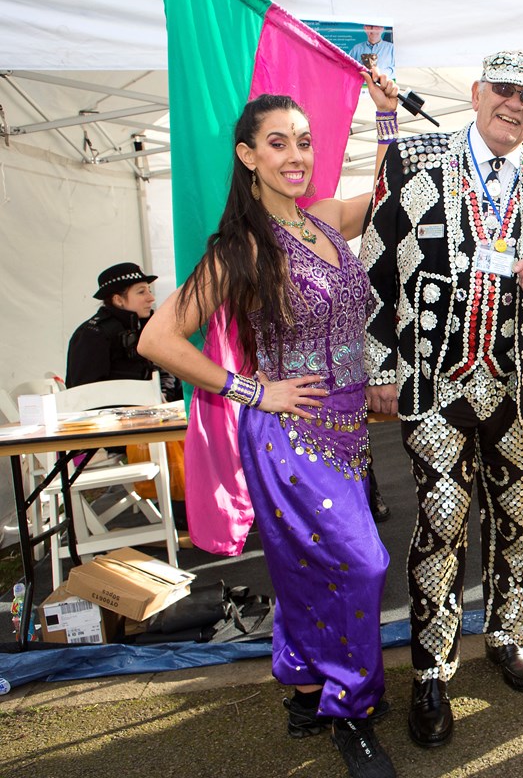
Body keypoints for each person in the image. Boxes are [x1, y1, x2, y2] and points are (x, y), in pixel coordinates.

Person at [139, 69, 402, 778]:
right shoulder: (243, 247)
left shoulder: (320, 223)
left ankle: (305, 681)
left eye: (305, 143)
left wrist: (384, 118)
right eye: (277, 143)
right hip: (289, 437)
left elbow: (383, 195)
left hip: (349, 432)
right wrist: (255, 391)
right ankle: (351, 710)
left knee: (308, 568)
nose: (295, 155)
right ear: (247, 155)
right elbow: (158, 339)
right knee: (362, 564)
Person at [361, 50, 523, 748]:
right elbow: (373, 268)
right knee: (444, 513)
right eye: (505, 92)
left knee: (516, 515)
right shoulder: (415, 162)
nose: (515, 106)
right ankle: (431, 667)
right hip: (435, 382)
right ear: (479, 92)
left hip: (519, 386)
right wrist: (376, 368)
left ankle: (508, 634)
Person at [66, 263, 180, 400]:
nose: (151, 298)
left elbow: (165, 372)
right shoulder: (92, 334)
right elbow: (83, 395)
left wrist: (165, 397)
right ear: (118, 300)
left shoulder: (147, 327)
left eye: (149, 290)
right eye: (141, 292)